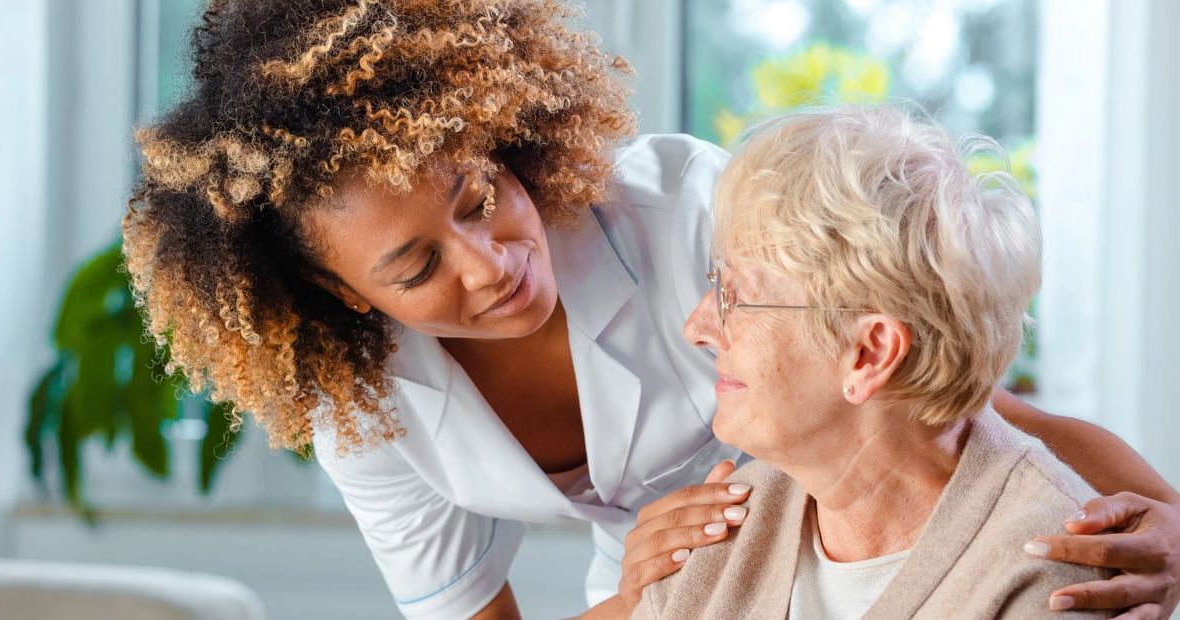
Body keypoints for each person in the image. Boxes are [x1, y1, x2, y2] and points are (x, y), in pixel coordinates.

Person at [120, 1, 1180, 618]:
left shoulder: (689, 214)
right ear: (347, 297)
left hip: (850, 509)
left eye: (481, 196)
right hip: (677, 578)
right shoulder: (367, 406)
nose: (490, 264)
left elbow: (956, 397)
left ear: (497, 136)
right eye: (416, 267)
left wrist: (1177, 527)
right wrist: (634, 599)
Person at [632, 105, 1117, 619]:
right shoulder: (718, 528)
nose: (698, 328)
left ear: (870, 354)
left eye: (736, 297)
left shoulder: (1048, 574)